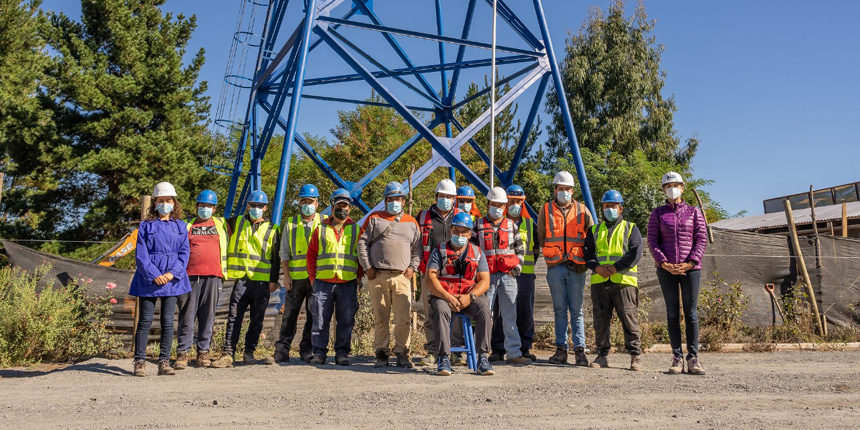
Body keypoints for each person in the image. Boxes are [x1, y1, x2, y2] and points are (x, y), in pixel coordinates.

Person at [210, 190, 280, 368]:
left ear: (265, 207)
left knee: (257, 319)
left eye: (259, 206)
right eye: (253, 205)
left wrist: (273, 281)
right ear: (248, 206)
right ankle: (228, 353)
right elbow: (215, 223)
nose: (255, 208)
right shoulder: (236, 222)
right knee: (234, 317)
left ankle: (249, 352)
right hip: (241, 280)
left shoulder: (273, 229)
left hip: (262, 282)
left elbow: (275, 258)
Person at [648, 171, 707, 375]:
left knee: (690, 313)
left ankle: (693, 358)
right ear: (663, 190)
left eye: (675, 185)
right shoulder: (657, 213)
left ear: (682, 187)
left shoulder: (694, 212)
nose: (672, 189)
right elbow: (653, 241)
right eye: (667, 186)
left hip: (690, 270)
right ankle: (676, 358)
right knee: (672, 313)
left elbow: (701, 239)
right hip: (666, 270)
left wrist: (690, 263)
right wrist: (664, 263)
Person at [130, 182, 191, 377]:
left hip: (172, 280)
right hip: (149, 280)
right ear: (154, 203)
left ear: (174, 203)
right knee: (145, 321)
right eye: (161, 200)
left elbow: (184, 253)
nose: (165, 203)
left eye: (168, 200)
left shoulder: (181, 227)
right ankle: (139, 361)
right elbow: (141, 255)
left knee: (167, 321)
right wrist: (154, 274)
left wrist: (171, 274)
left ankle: (164, 361)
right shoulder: (146, 226)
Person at [359, 182, 421, 368]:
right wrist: (367, 266)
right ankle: (381, 353)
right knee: (380, 317)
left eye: (398, 199)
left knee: (403, 318)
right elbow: (362, 243)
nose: (395, 202)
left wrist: (412, 268)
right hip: (377, 275)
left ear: (403, 201)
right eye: (391, 199)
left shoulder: (411, 222)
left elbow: (417, 248)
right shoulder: (374, 219)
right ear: (385, 201)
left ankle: (403, 352)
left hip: (402, 276)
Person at [425, 212, 494, 376]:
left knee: (484, 307)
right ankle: (443, 358)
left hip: (468, 297)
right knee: (441, 310)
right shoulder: (439, 251)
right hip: (444, 296)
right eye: (456, 231)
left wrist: (470, 297)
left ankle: (483, 358)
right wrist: (447, 296)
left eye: (464, 231)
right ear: (451, 231)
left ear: (470, 233)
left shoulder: (477, 252)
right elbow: (430, 278)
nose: (460, 235)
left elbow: (484, 280)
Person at [537, 171, 594, 366]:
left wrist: (585, 259)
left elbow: (591, 237)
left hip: (577, 267)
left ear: (572, 190)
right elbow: (541, 235)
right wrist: (551, 256)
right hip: (555, 267)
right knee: (560, 309)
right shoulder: (545, 210)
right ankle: (561, 349)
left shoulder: (582, 210)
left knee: (577, 310)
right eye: (560, 189)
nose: (564, 192)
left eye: (567, 189)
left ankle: (580, 351)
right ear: (555, 190)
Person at [583, 190, 644, 371]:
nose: (609, 209)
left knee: (629, 318)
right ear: (602, 207)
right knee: (600, 320)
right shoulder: (594, 230)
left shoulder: (631, 228)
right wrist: (597, 267)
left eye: (613, 206)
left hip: (624, 281)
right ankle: (602, 355)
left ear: (620, 208)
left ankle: (635, 356)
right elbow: (587, 253)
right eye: (606, 205)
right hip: (600, 281)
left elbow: (635, 252)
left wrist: (616, 268)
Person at [307, 188, 364, 366]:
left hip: (347, 282)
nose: (342, 208)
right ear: (332, 206)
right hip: (323, 282)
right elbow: (311, 255)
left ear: (350, 208)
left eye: (345, 205)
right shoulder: (320, 229)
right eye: (339, 205)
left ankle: (342, 353)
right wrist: (313, 279)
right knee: (320, 320)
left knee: (346, 320)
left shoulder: (356, 229)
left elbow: (361, 256)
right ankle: (319, 353)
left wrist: (358, 278)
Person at [175, 190, 230, 370]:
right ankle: (182, 353)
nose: (204, 209)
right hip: (189, 276)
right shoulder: (186, 226)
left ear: (214, 209)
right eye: (202, 205)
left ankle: (203, 352)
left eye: (208, 206)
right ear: (196, 206)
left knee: (208, 316)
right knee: (187, 315)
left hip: (213, 275)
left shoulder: (222, 225)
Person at [475, 187, 531, 365]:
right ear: (488, 204)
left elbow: (520, 249)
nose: (497, 208)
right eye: (494, 204)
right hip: (486, 277)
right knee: (484, 314)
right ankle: (481, 353)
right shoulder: (478, 225)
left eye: (500, 205)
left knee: (509, 315)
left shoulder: (511, 225)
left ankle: (513, 353)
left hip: (508, 276)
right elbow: (472, 251)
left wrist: (516, 269)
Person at [273, 184, 326, 363]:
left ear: (317, 203)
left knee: (313, 315)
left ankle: (307, 350)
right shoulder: (291, 222)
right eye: (304, 201)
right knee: (289, 315)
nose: (307, 204)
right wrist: (286, 276)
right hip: (295, 278)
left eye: (310, 201)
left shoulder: (325, 221)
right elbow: (285, 252)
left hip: (317, 278)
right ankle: (282, 350)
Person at [416, 178, 464, 366]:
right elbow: (416, 244)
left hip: (456, 273)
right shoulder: (423, 217)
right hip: (431, 272)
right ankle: (433, 350)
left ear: (454, 199)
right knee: (430, 312)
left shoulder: (462, 216)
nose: (445, 199)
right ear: (436, 196)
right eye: (442, 196)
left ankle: (455, 351)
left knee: (457, 310)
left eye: (449, 197)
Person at [490, 185, 539, 362]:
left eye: (519, 201)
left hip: (524, 275)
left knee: (525, 312)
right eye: (512, 201)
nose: (515, 205)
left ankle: (524, 348)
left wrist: (519, 267)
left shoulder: (529, 224)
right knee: (501, 311)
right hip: (502, 274)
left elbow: (535, 250)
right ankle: (498, 348)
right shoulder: (498, 223)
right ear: (505, 202)